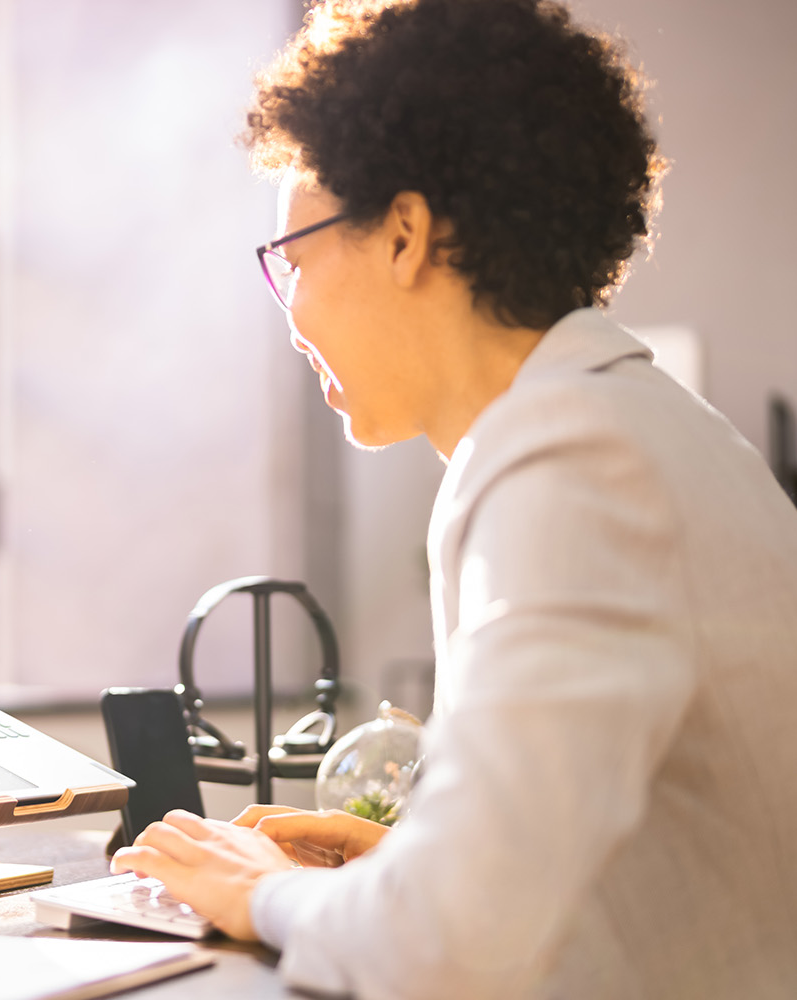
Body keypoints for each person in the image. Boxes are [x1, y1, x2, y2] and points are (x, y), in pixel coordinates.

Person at [110, 0, 797, 996]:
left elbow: (450, 947)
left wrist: (261, 890)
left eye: (292, 260)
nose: (290, 315)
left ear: (404, 235)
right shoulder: (649, 430)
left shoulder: (573, 457)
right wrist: (406, 859)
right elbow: (605, 858)